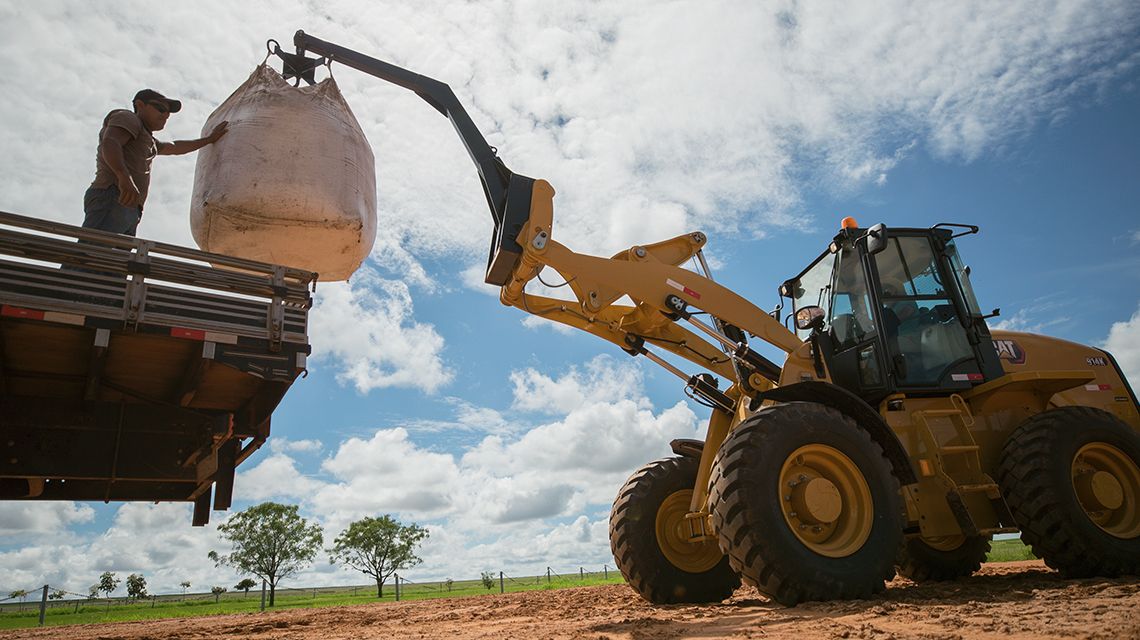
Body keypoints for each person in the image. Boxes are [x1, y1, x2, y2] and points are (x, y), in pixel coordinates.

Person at [84, 89, 228, 236]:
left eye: (168, 113)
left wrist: (209, 139)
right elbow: (111, 142)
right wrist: (124, 177)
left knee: (114, 257)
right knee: (92, 252)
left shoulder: (148, 140)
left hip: (131, 205)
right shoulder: (128, 118)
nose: (165, 115)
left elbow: (174, 147)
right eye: (160, 108)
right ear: (140, 105)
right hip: (114, 194)